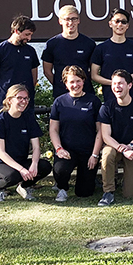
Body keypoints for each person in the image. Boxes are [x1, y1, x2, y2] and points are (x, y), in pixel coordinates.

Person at [0, 84, 52, 202]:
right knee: (13, 176)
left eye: (26, 98)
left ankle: (23, 187)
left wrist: (34, 164)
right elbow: (1, 153)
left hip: (19, 161)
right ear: (10, 100)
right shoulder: (0, 121)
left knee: (45, 166)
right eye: (19, 98)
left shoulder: (29, 119)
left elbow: (36, 147)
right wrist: (21, 169)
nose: (23, 101)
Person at [49, 66, 103, 202]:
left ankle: (86, 181)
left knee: (84, 192)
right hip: (67, 150)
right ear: (66, 84)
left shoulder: (93, 101)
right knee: (60, 170)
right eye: (71, 82)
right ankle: (62, 188)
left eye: (78, 81)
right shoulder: (59, 102)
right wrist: (59, 149)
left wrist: (95, 155)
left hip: (88, 151)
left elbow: (100, 130)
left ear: (83, 81)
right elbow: (53, 129)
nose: (75, 85)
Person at [97, 69, 133, 206]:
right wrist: (122, 148)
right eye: (114, 84)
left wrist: (130, 146)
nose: (117, 87)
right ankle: (108, 192)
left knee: (129, 194)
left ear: (129, 85)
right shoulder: (107, 107)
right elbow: (106, 136)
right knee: (107, 154)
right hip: (114, 147)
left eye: (120, 83)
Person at [91, 8, 133, 102]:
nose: (120, 24)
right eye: (117, 21)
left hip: (132, 97)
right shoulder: (101, 48)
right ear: (110, 24)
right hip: (110, 97)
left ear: (127, 26)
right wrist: (113, 83)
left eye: (123, 22)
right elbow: (94, 75)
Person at [0, 15, 39, 112]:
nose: (29, 38)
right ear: (16, 31)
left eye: (31, 34)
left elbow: (34, 78)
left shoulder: (31, 51)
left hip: (26, 104)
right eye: (26, 34)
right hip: (6, 104)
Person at [41, 5, 96, 98]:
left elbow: (94, 70)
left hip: (86, 93)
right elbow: (47, 71)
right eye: (67, 19)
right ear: (60, 21)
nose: (71, 22)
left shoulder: (89, 44)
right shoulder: (52, 44)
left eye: (74, 19)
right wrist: (61, 83)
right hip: (61, 94)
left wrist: (81, 83)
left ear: (79, 20)